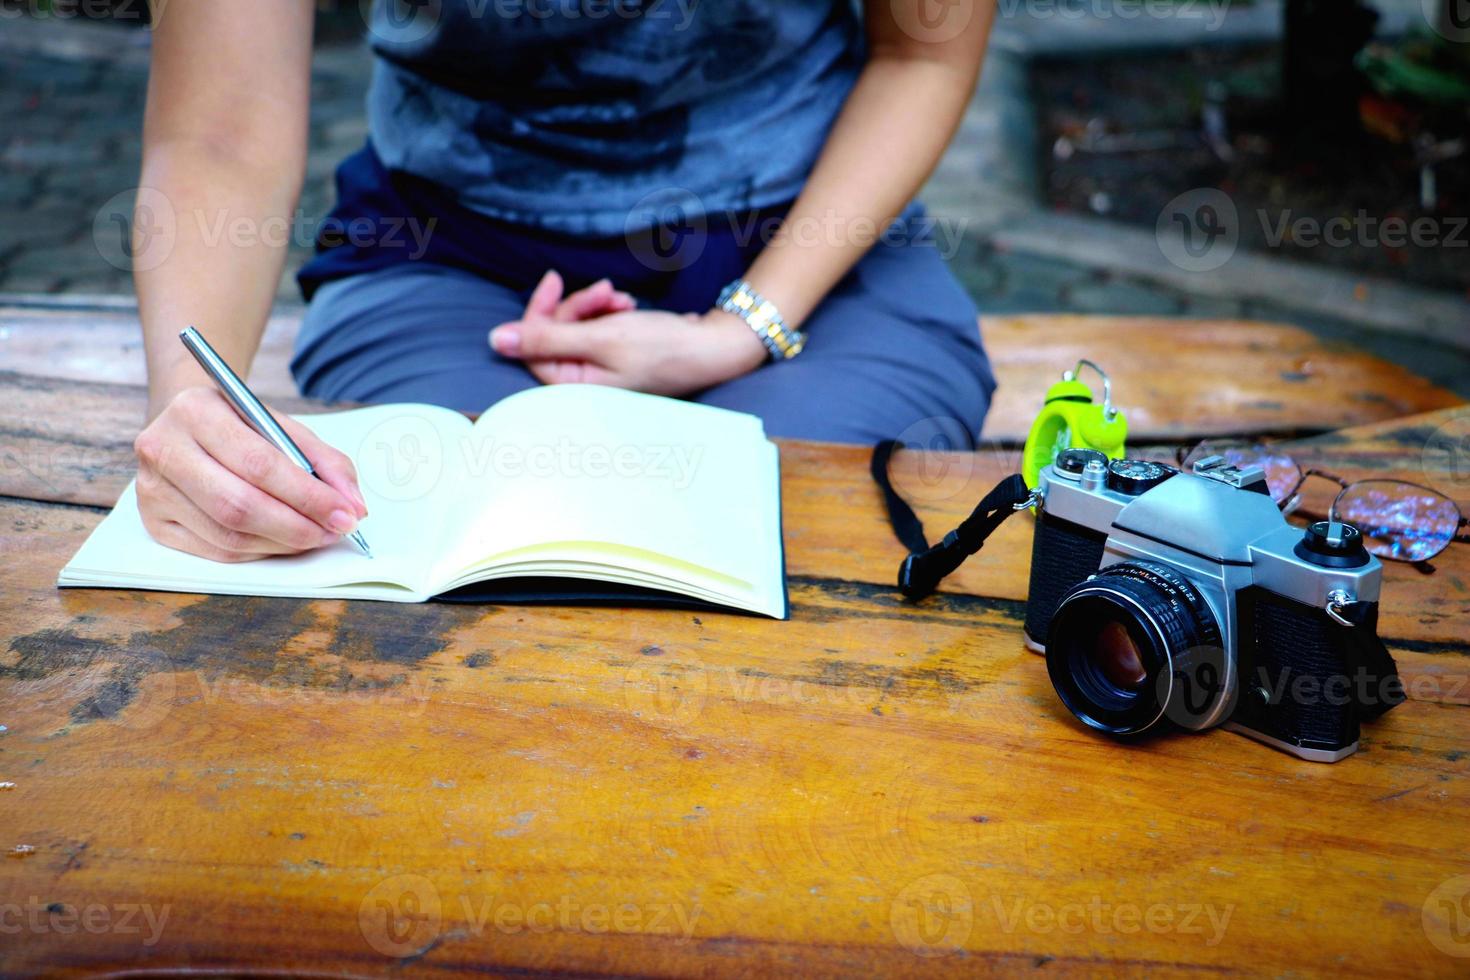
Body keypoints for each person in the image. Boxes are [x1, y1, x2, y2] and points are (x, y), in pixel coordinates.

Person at [131, 0, 998, 563]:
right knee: (466, 563)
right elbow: (219, 130)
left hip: (817, 250)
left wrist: (739, 330)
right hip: (453, 260)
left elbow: (922, 53)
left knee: (804, 541)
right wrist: (195, 411)